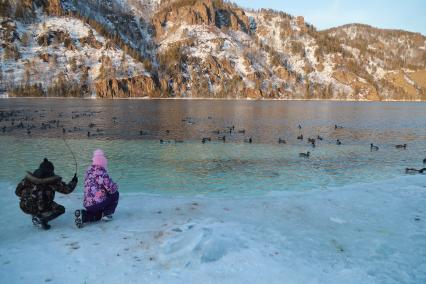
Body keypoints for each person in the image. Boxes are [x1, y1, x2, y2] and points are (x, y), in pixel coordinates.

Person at [15, 158, 78, 230]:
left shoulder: (28, 179)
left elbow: (17, 192)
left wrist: (28, 195)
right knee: (61, 209)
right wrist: (74, 181)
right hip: (42, 206)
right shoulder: (53, 181)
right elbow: (67, 190)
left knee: (33, 200)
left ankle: (36, 216)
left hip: (24, 206)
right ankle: (44, 220)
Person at [74, 149, 119, 228]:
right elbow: (111, 188)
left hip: (88, 204)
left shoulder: (89, 171)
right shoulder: (101, 172)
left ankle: (83, 216)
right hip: (98, 203)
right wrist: (116, 185)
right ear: (103, 162)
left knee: (97, 216)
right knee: (115, 193)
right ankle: (107, 214)